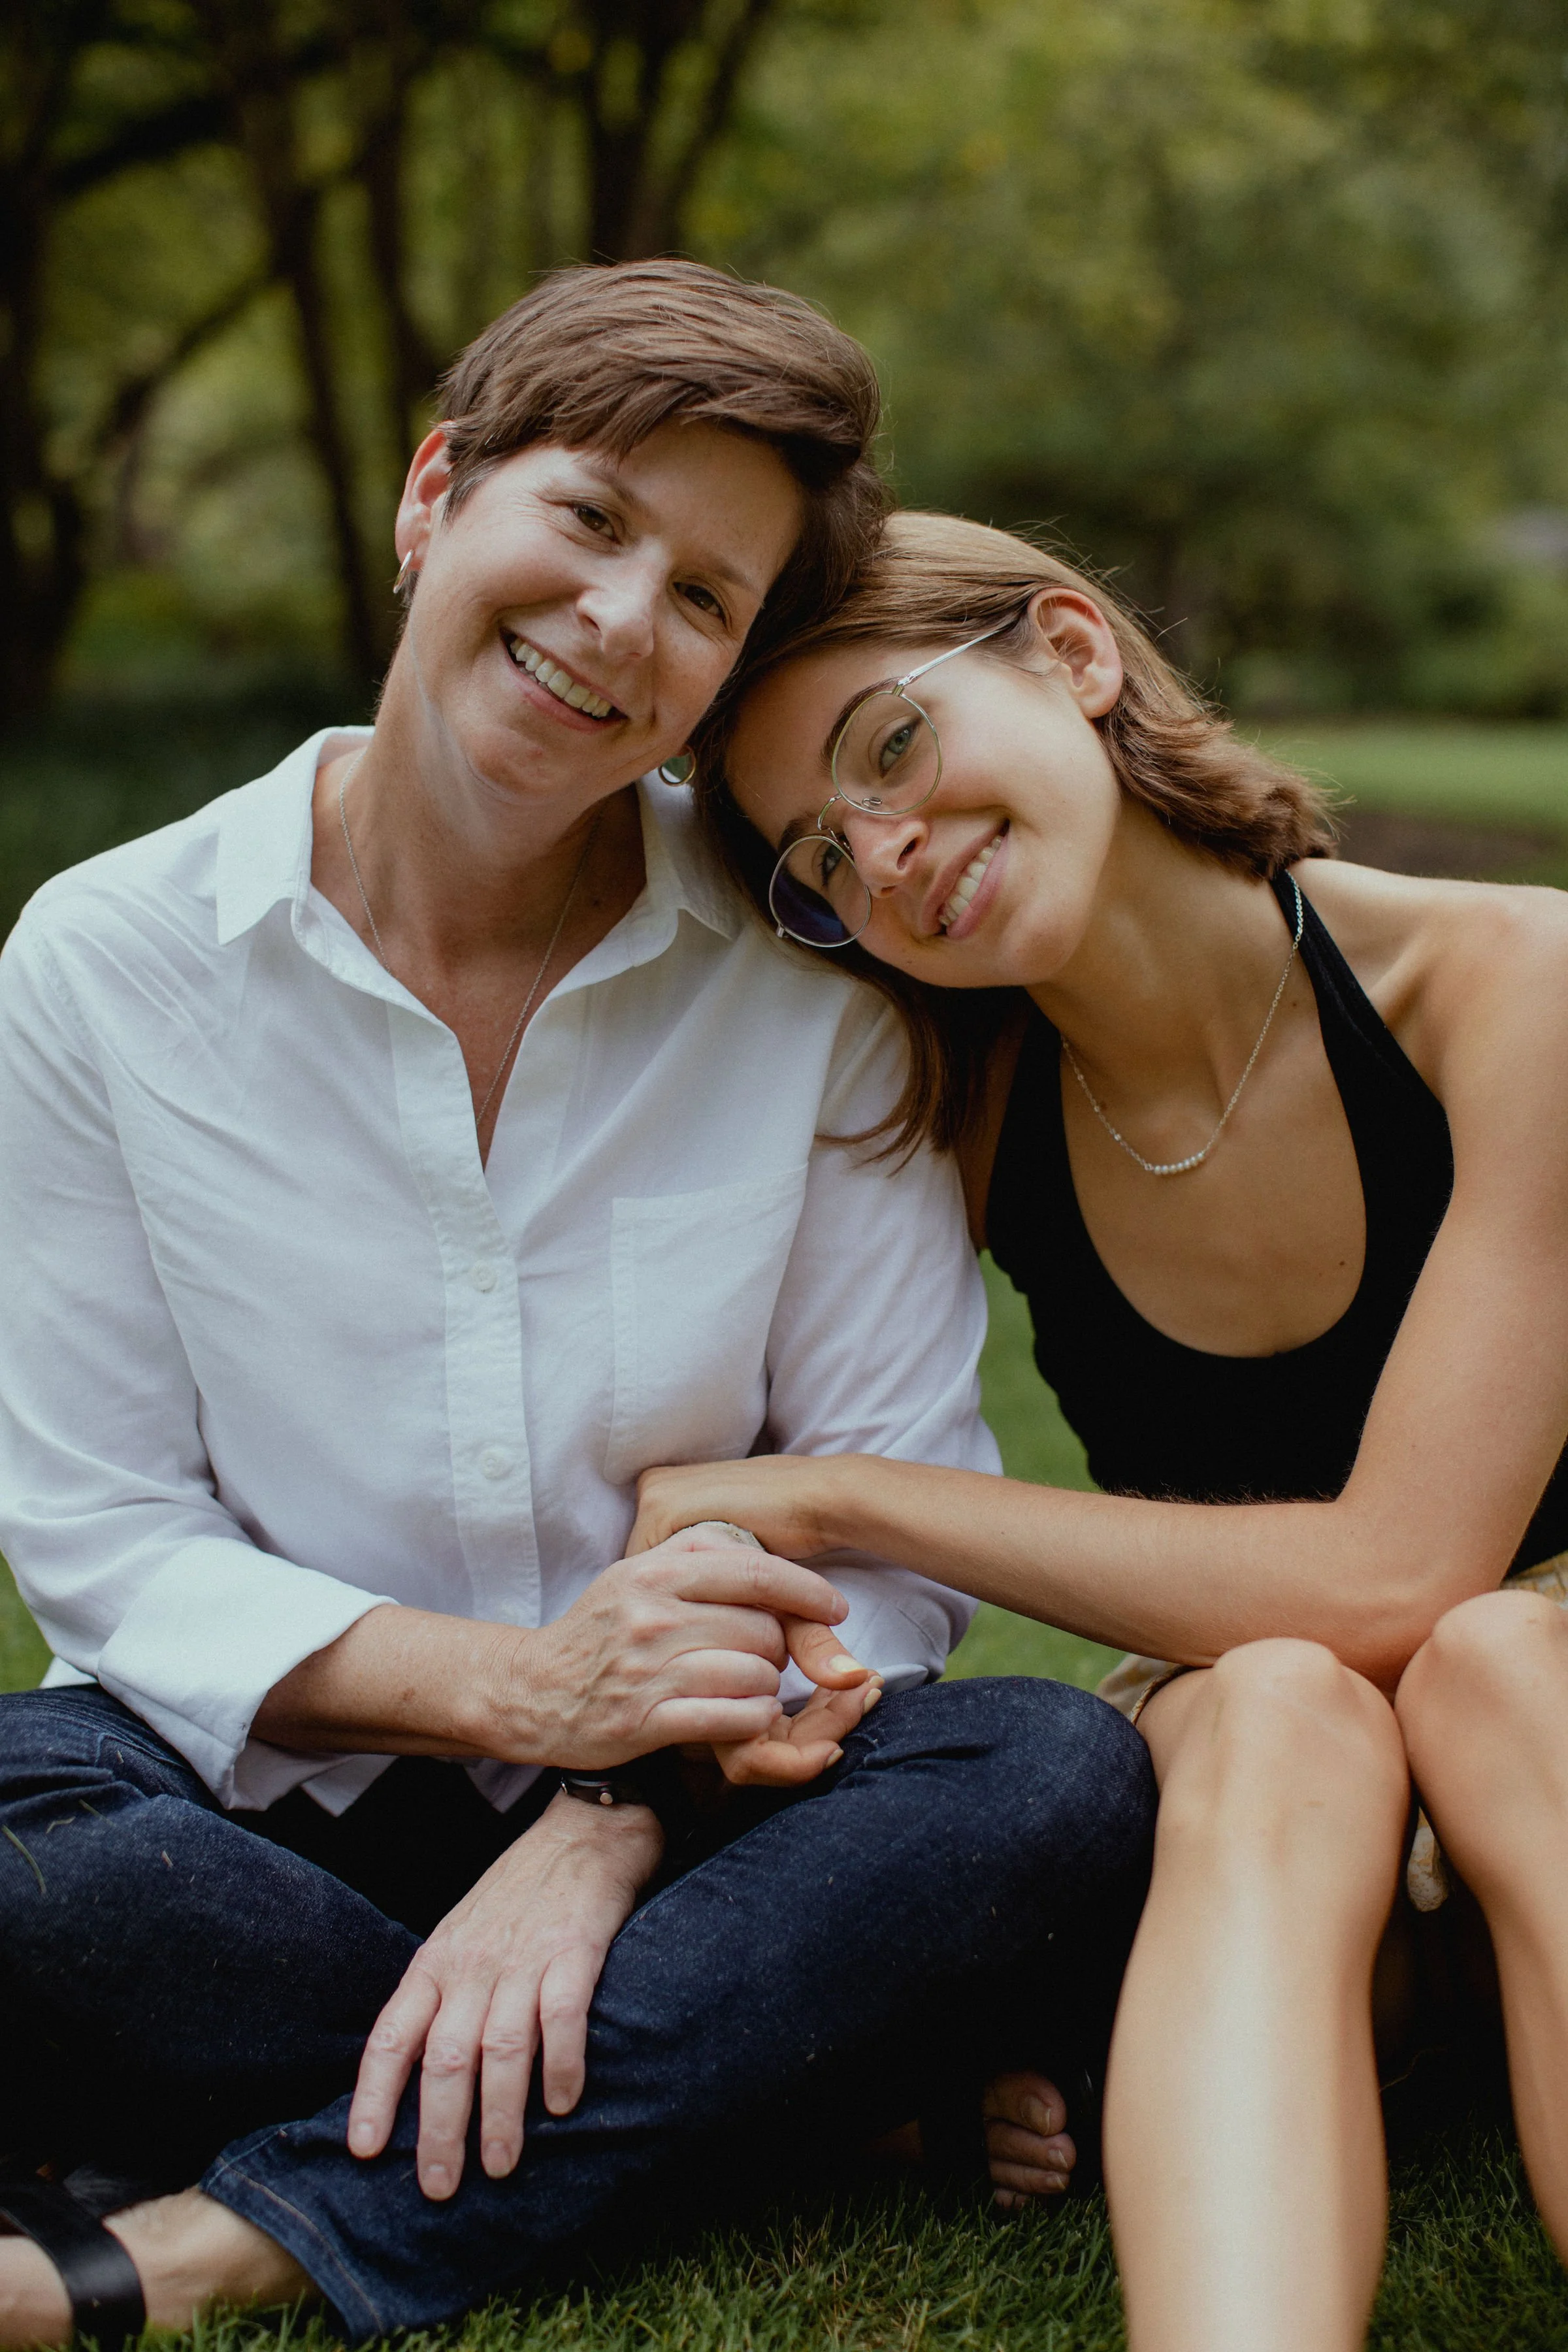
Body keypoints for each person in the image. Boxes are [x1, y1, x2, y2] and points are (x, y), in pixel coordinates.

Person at [0, 282, 1158, 2349]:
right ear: (436, 496)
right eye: (594, 520)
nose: (627, 620)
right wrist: (520, 1700)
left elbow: (880, 1536)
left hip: (726, 1828)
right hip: (287, 1825)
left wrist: (613, 1818)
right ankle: (795, 2088)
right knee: (31, 1834)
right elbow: (103, 1540)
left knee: (1053, 1778)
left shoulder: (813, 982)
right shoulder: (100, 963)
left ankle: (202, 2242)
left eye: (707, 599)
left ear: (723, 679)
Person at [630, 508, 1568, 2352]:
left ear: (1072, 652)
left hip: (1546, 1730)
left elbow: (1404, 1570)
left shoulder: (1512, 990)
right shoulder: (957, 1120)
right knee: (1283, 1702)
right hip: (1295, 1829)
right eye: (820, 856)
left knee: (1480, 1659)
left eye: (890, 746)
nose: (886, 854)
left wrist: (839, 1497)